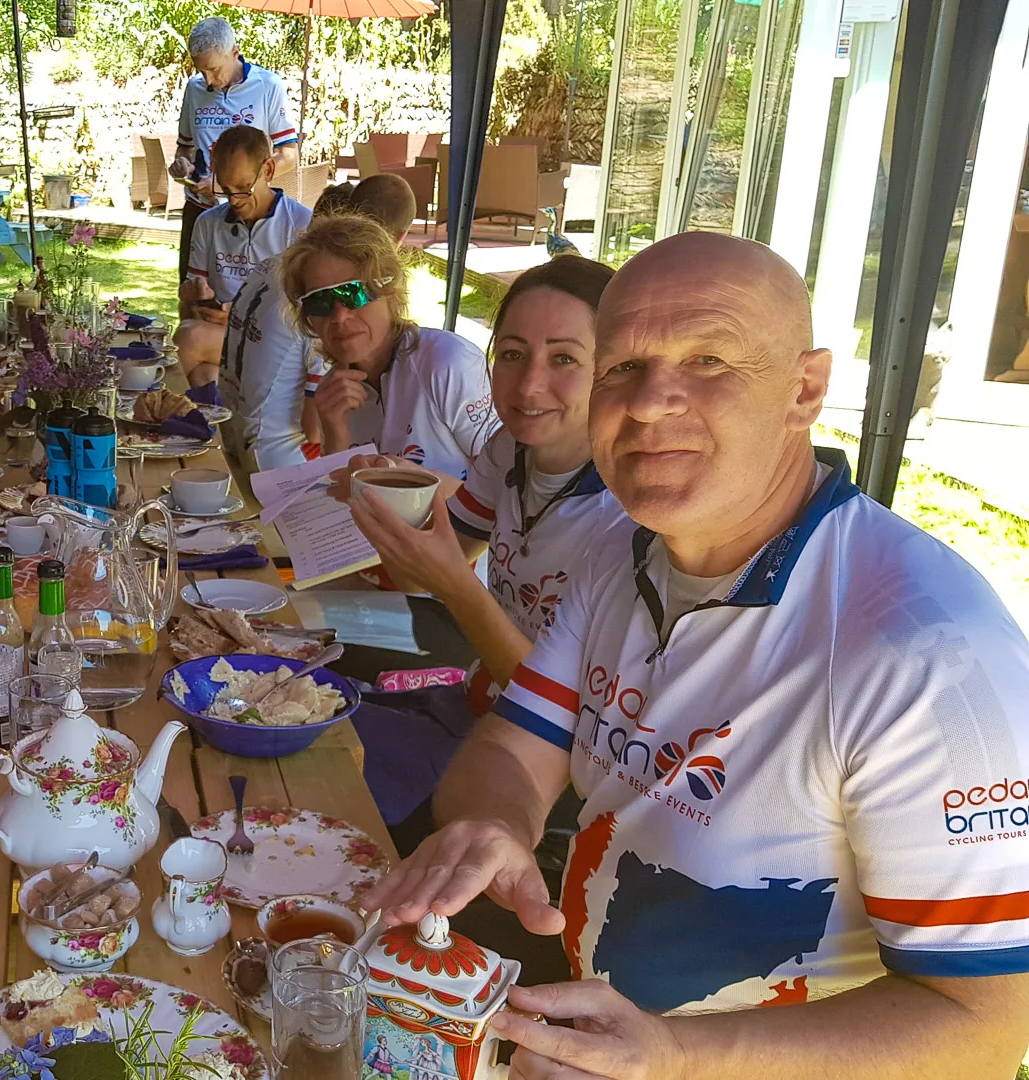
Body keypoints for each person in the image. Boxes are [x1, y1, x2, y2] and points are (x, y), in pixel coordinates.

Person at [365, 233, 1029, 1078]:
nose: (648, 404)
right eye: (622, 367)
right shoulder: (624, 553)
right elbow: (512, 748)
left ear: (805, 389)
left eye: (708, 359)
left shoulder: (928, 655)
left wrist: (676, 1056)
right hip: (594, 1029)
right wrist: (494, 826)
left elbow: (987, 1030)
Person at [341, 255, 627, 716]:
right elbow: (415, 578)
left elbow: (555, 709)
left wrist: (457, 587)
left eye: (564, 358)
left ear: (614, 369)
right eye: (512, 354)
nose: (529, 386)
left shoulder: (628, 511)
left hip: (532, 741)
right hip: (472, 701)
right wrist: (389, 503)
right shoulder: (508, 449)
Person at [280, 212, 497, 482]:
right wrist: (336, 435)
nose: (339, 316)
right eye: (319, 301)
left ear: (391, 291)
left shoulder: (447, 362)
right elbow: (338, 498)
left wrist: (415, 482)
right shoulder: (334, 391)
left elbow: (501, 484)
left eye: (354, 293)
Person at [219, 175, 413, 471]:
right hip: (274, 459)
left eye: (358, 294)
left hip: (232, 432)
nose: (340, 315)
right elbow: (313, 429)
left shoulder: (273, 265)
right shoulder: (318, 292)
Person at [176, 124, 312, 388]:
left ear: (268, 170)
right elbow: (188, 308)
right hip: (219, 338)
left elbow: (308, 316)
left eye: (243, 188)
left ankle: (157, 408)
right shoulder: (208, 222)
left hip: (275, 345)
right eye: (226, 190)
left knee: (189, 338)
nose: (234, 201)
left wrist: (243, 319)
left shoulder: (301, 224)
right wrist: (193, 296)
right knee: (205, 377)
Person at [171, 17, 299, 292]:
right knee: (192, 294)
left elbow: (289, 155)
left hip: (247, 214)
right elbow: (185, 146)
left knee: (249, 298)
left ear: (235, 53)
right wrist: (182, 163)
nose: (208, 80)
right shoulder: (194, 88)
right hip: (199, 209)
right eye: (201, 71)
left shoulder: (268, 86)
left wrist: (224, 185)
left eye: (214, 70)